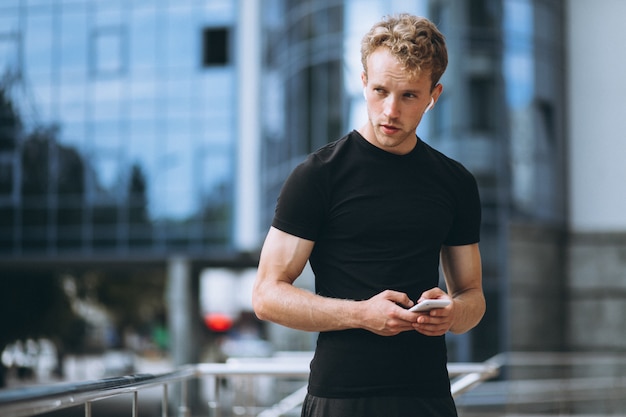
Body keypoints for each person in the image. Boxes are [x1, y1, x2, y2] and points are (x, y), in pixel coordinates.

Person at [252, 13, 485, 417]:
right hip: (341, 397)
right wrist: (361, 314)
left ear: (435, 94)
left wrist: (452, 313)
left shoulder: (456, 182)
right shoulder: (318, 175)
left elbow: (473, 297)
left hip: (426, 397)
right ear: (362, 82)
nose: (390, 110)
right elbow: (266, 296)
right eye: (380, 91)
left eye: (409, 95)